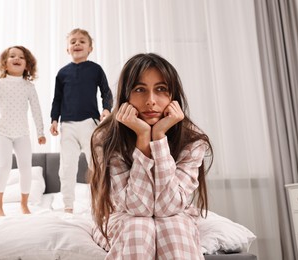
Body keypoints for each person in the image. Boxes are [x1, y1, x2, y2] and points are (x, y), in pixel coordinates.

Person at [90, 53, 213, 259]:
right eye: (139, 90)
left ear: (173, 96)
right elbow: (138, 208)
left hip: (175, 216)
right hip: (121, 216)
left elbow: (169, 207)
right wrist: (143, 137)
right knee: (139, 228)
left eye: (161, 89)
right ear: (125, 96)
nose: (151, 101)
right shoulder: (106, 138)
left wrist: (158, 139)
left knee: (173, 228)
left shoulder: (192, 140)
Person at [0, 46, 46, 217]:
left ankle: (24, 204)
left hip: (22, 133)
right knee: (4, 166)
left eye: (21, 57)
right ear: (4, 64)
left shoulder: (28, 87)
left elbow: (36, 110)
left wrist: (40, 132)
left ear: (27, 65)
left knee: (26, 168)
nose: (17, 58)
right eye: (12, 56)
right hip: (2, 132)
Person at [50, 28, 113, 213]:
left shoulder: (95, 69)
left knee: (98, 164)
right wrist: (54, 119)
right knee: (67, 166)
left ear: (90, 48)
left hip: (90, 124)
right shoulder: (62, 73)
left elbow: (106, 92)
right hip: (67, 125)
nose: (77, 44)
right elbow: (57, 99)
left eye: (82, 41)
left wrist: (107, 110)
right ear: (67, 49)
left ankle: (101, 202)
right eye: (73, 42)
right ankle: (68, 205)